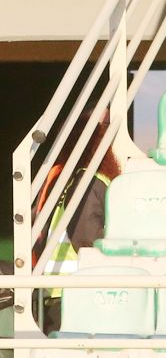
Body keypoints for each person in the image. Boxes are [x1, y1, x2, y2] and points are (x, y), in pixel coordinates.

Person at [31, 106, 122, 335]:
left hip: (57, 291)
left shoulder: (62, 179)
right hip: (75, 291)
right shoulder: (90, 180)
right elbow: (87, 235)